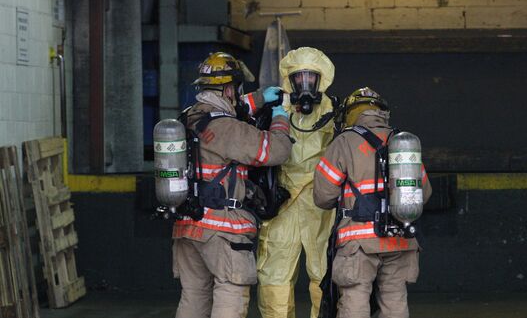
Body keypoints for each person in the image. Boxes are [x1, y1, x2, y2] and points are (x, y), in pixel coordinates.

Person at [172, 52, 293, 318]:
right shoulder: (228, 128)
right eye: (236, 89)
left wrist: (260, 98)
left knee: (193, 297)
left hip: (188, 227)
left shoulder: (188, 118)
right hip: (222, 231)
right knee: (230, 293)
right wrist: (280, 119)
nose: (239, 94)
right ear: (228, 88)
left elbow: (230, 109)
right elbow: (275, 151)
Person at [313, 87, 432, 318]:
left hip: (358, 241)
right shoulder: (403, 143)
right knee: (395, 300)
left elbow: (323, 196)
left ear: (351, 113)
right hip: (399, 238)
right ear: (382, 113)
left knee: (355, 300)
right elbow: (424, 192)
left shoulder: (345, 142)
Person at [257, 47, 337, 318]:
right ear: (288, 81)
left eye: (310, 78)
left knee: (324, 271)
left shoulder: (335, 113)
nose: (304, 84)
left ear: (321, 80)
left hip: (321, 203)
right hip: (283, 202)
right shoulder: (274, 111)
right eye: (298, 77)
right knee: (274, 273)